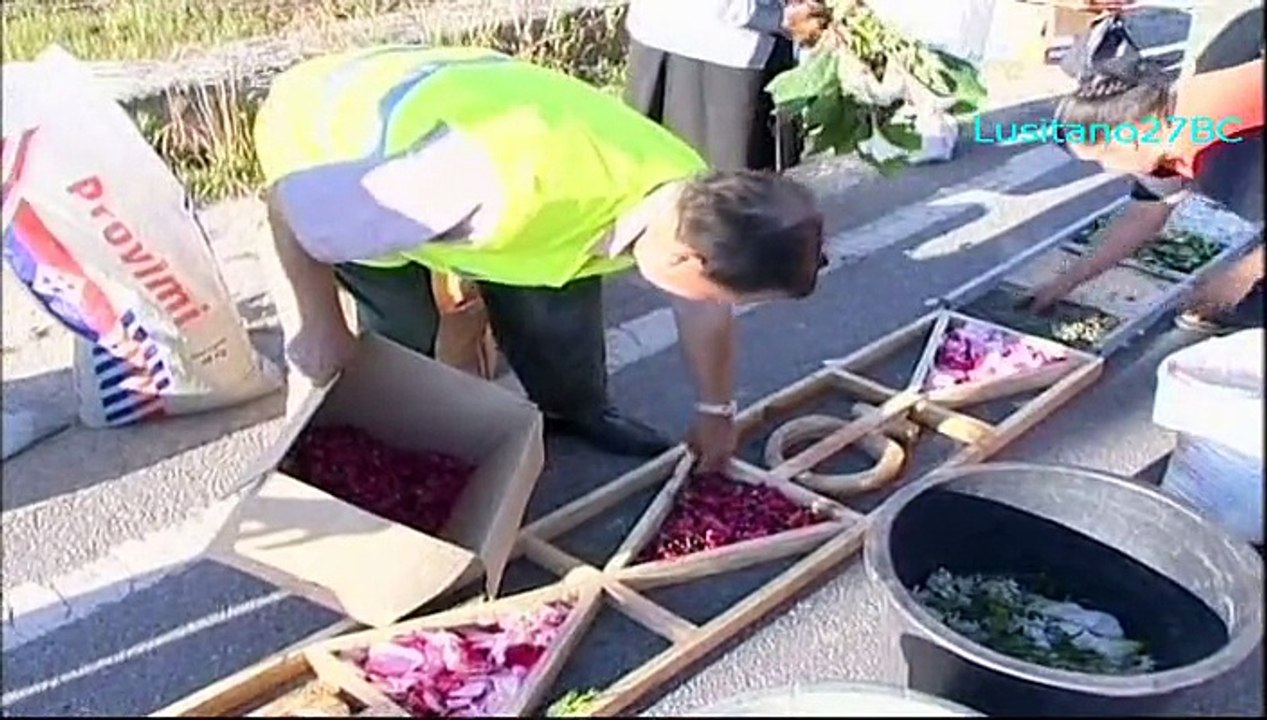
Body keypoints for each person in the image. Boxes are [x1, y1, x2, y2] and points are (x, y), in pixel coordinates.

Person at [252, 45, 827, 472]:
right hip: (339, 145)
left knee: (555, 301)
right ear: (687, 258)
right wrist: (317, 325)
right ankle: (411, 460)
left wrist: (715, 411)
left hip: (484, 143)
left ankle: (572, 411)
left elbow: (702, 307)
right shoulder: (480, 184)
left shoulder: (691, 195)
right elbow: (285, 207)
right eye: (729, 295)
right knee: (402, 333)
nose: (721, 308)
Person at [1029, 3, 1264, 333]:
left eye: (1102, 158)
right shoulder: (1161, 130)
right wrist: (1063, 284)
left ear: (1130, 137)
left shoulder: (1216, 143)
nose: (1106, 170)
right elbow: (1144, 215)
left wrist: (1241, 276)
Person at [623, 0, 831, 172]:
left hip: (656, 34)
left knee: (655, 180)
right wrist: (781, 18)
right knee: (732, 200)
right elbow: (730, 8)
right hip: (730, 49)